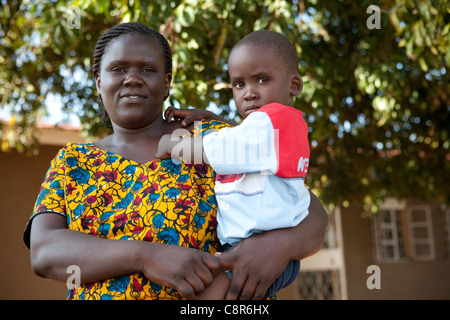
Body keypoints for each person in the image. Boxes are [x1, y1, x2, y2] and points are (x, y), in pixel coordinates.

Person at [24, 22, 328, 300]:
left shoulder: (209, 140)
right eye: (118, 69)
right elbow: (44, 251)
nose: (132, 79)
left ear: (167, 82)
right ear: (98, 81)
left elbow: (306, 209)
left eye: (147, 69)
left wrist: (280, 246)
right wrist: (146, 256)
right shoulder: (73, 162)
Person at [157, 30, 310, 299]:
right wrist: (209, 116)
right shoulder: (275, 125)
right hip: (257, 248)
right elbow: (243, 137)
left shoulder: (275, 120)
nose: (249, 93)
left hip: (258, 250)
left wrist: (174, 147)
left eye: (262, 80)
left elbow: (225, 148)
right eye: (239, 84)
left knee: (204, 296)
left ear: (294, 85)